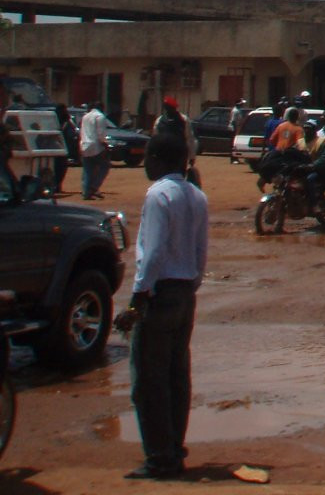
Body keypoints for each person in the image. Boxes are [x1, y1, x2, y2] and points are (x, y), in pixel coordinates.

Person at [121, 131, 209, 481]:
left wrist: (138, 298)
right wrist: (192, 285)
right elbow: (202, 252)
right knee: (176, 375)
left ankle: (160, 458)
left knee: (149, 379)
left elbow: (153, 252)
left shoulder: (158, 195)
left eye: (147, 157)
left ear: (157, 159)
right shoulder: (196, 196)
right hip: (186, 292)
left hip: (160, 295)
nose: (145, 163)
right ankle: (174, 447)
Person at [80, 101, 112, 199]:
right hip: (96, 146)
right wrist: (106, 145)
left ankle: (86, 191)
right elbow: (101, 134)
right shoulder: (100, 117)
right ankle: (94, 187)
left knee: (88, 169)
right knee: (105, 166)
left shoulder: (85, 117)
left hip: (84, 145)